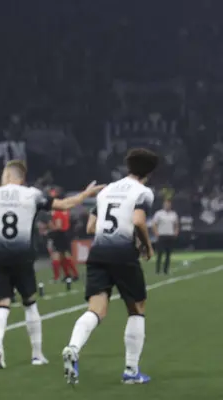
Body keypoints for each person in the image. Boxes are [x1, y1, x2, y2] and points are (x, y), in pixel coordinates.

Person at [0, 160, 103, 369]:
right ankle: (36, 355)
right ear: (22, 178)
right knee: (30, 302)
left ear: (6, 175)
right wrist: (85, 194)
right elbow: (65, 204)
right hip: (23, 255)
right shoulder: (32, 194)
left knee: (2, 304)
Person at [62, 148, 159, 385]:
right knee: (137, 308)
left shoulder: (108, 190)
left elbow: (91, 227)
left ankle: (73, 347)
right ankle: (131, 371)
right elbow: (138, 220)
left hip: (98, 252)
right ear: (150, 172)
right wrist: (146, 246)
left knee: (96, 309)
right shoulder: (143, 192)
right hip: (123, 253)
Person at [48, 191, 78, 282]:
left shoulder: (57, 211)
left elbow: (58, 226)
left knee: (56, 256)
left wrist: (49, 226)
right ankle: (70, 275)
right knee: (65, 256)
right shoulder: (65, 210)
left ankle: (57, 277)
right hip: (66, 234)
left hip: (59, 235)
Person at [152, 199, 179, 274]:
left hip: (170, 235)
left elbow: (176, 224)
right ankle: (157, 270)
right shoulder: (159, 213)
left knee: (168, 254)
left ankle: (165, 270)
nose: (167, 206)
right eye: (166, 204)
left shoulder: (173, 214)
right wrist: (156, 233)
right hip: (161, 235)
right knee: (160, 254)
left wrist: (176, 232)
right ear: (163, 205)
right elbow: (154, 224)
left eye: (169, 204)